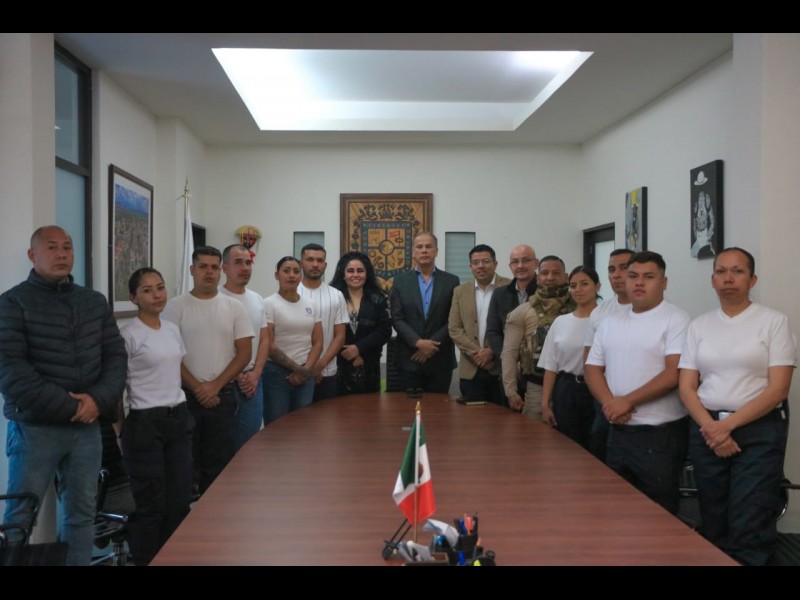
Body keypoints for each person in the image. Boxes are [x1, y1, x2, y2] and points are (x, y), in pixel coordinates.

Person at [0, 225, 127, 565]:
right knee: (19, 516)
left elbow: (116, 357)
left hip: (86, 429)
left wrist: (97, 401)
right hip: (35, 428)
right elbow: (10, 369)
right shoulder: (12, 302)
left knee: (82, 514)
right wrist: (72, 406)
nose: (62, 254)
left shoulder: (93, 301)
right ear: (33, 255)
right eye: (52, 247)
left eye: (67, 248)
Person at [678, 247, 796, 565]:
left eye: (738, 271)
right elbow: (686, 387)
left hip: (758, 430)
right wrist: (711, 428)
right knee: (713, 514)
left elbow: (778, 389)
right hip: (707, 428)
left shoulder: (773, 322)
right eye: (721, 271)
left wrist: (726, 427)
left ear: (752, 279)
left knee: (751, 516)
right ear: (712, 280)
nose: (728, 278)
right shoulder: (699, 325)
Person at [585, 251, 690, 514]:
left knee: (658, 511)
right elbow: (592, 368)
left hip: (659, 435)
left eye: (648, 277)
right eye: (633, 276)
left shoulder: (676, 318)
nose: (639, 282)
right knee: (616, 507)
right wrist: (610, 404)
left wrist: (627, 402)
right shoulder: (610, 321)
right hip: (617, 430)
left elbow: (673, 373)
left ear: (664, 282)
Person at [163, 246, 253, 496]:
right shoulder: (175, 307)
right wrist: (198, 388)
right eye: (203, 267)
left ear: (221, 270)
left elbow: (244, 353)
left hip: (223, 397)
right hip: (185, 397)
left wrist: (215, 386)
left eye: (214, 267)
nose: (209, 272)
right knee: (184, 464)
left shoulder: (234, 307)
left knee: (219, 466)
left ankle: (215, 514)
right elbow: (169, 354)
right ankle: (186, 515)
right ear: (192, 270)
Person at [119, 267, 193, 566]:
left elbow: (176, 371)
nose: (157, 295)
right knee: (151, 505)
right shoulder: (129, 334)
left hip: (178, 417)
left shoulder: (172, 329)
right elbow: (117, 387)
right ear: (133, 297)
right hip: (145, 423)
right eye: (147, 290)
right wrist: (120, 430)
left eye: (160, 287)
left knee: (180, 501)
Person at [501, 255, 575, 419]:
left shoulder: (581, 309)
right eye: (545, 273)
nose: (550, 278)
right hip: (537, 387)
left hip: (574, 388)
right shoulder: (522, 312)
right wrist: (510, 391)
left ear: (566, 277)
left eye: (556, 273)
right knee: (536, 431)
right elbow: (509, 353)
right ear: (538, 277)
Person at [390, 232, 460, 395]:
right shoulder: (400, 281)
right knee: (407, 408)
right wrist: (418, 343)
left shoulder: (451, 281)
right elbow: (397, 318)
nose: (424, 250)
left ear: (436, 251)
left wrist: (430, 345)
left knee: (438, 408)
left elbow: (454, 319)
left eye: (428, 246)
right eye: (419, 247)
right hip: (409, 358)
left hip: (440, 359)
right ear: (413, 252)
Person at [540, 265, 601, 449]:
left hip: (597, 388)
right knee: (567, 445)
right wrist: (545, 403)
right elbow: (551, 366)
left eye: (584, 284)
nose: (578, 290)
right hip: (566, 389)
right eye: (573, 286)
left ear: (597, 286)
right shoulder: (561, 322)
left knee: (595, 443)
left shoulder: (606, 320)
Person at [583, 248, 634, 461]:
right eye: (612, 270)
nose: (616, 275)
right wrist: (608, 402)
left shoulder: (658, 310)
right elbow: (589, 363)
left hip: (644, 404)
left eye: (623, 268)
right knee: (601, 456)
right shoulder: (600, 312)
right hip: (605, 399)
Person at [263, 256, 323, 424]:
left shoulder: (311, 304)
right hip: (277, 374)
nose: (291, 275)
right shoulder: (268, 303)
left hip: (306, 372)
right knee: (277, 425)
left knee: (303, 426)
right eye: (286, 271)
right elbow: (269, 345)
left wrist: (306, 369)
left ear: (300, 276)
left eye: (296, 271)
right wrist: (297, 369)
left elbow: (318, 342)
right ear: (277, 275)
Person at [448, 244, 511, 404]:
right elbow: (454, 328)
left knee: (503, 416)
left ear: (495, 263)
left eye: (486, 261)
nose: (480, 266)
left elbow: (514, 328)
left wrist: (492, 351)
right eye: (476, 262)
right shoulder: (460, 291)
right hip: (471, 368)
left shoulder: (509, 288)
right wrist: (478, 353)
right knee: (472, 417)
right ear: (470, 266)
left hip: (501, 368)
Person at [220, 244, 268, 450]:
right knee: (223, 443)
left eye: (248, 263)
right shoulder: (216, 298)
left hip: (253, 381)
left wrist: (256, 373)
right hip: (225, 383)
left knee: (250, 442)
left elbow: (264, 339)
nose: (245, 268)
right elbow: (220, 344)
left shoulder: (257, 299)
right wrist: (237, 374)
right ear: (225, 268)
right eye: (238, 262)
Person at [329, 252, 392, 394]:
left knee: (368, 407)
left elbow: (384, 331)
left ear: (367, 274)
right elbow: (327, 331)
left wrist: (359, 350)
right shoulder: (332, 298)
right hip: (337, 366)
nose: (355, 275)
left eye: (360, 270)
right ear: (343, 275)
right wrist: (349, 354)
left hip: (369, 364)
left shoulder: (379, 299)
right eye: (350, 271)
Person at [485, 244, 539, 406]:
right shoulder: (500, 294)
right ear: (510, 266)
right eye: (515, 262)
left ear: (536, 263)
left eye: (526, 260)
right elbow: (493, 331)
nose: (520, 266)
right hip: (508, 369)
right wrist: (509, 360)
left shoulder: (545, 293)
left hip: (538, 371)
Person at [298, 243, 348, 401]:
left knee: (326, 416)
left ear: (325, 265)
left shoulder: (336, 295)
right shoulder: (291, 293)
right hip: (295, 372)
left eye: (320, 260)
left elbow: (340, 336)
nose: (315, 264)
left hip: (327, 372)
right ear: (301, 262)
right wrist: (305, 369)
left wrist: (318, 366)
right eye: (310, 259)